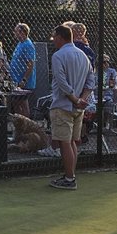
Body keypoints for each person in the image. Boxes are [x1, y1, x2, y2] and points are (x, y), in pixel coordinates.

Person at [47, 25, 93, 191]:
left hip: (63, 105)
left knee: (64, 143)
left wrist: (74, 99)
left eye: (54, 37)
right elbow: (90, 81)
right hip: (78, 107)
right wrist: (82, 99)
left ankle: (69, 179)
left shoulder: (58, 55)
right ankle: (70, 176)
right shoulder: (83, 55)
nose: (53, 40)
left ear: (60, 37)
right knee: (72, 141)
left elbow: (61, 81)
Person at [9, 23, 37, 116]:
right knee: (15, 102)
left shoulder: (28, 45)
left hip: (22, 80)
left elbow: (30, 63)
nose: (14, 33)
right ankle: (19, 121)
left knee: (23, 103)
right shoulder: (20, 44)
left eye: (16, 31)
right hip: (16, 79)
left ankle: (26, 122)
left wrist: (24, 79)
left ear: (22, 32)